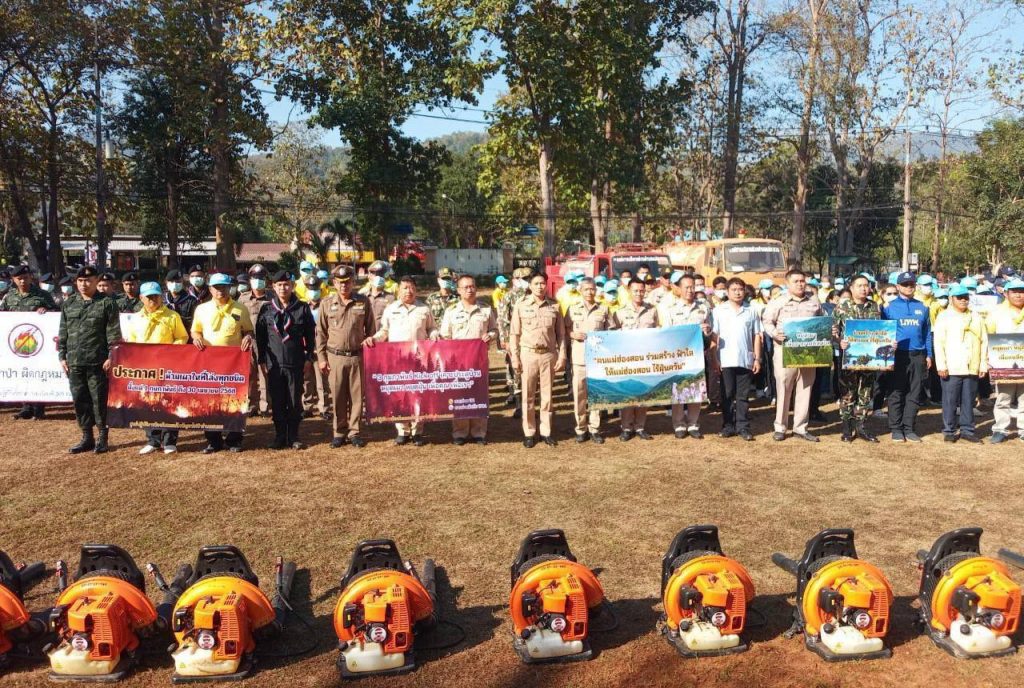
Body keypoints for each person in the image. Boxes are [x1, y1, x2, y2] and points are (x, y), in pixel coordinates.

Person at [58, 265, 122, 454]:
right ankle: (87, 436)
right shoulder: (69, 303)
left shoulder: (107, 303)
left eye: (88, 280)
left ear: (96, 281)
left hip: (98, 362)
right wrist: (62, 356)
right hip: (75, 361)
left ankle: (102, 437)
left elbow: (113, 333)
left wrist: (111, 356)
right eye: (80, 281)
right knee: (79, 399)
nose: (83, 284)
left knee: (99, 400)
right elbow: (63, 332)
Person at [367, 276, 439, 445]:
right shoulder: (390, 309)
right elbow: (384, 331)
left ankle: (417, 431)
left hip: (419, 359)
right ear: (398, 290)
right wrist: (374, 339)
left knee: (418, 395)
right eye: (405, 287)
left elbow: (431, 328)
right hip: (397, 359)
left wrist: (434, 334)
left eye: (412, 287)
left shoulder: (424, 309)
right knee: (400, 394)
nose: (409, 291)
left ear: (416, 289)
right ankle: (402, 430)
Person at [191, 273, 255, 453]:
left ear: (230, 288)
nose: (221, 290)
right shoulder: (201, 309)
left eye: (224, 287)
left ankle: (234, 439)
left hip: (233, 365)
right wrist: (196, 338)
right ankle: (213, 441)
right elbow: (195, 330)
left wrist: (248, 337)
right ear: (210, 289)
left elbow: (248, 330)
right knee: (209, 401)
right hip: (209, 364)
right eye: (217, 287)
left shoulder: (240, 309)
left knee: (235, 400)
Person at [125, 281, 189, 454]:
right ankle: (153, 440)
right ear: (141, 298)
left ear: (161, 296)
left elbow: (182, 337)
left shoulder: (172, 316)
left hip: (168, 367)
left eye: (156, 296)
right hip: (145, 369)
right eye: (149, 297)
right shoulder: (136, 318)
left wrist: (170, 352)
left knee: (169, 403)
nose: (153, 299)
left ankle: (170, 441)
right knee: (147, 402)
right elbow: (131, 341)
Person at [761, 268, 824, 442]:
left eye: (802, 281)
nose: (800, 284)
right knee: (784, 387)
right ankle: (780, 427)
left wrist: (829, 330)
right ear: (787, 283)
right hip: (785, 349)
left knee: (805, 388)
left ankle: (800, 428)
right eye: (796, 281)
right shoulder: (779, 301)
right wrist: (775, 334)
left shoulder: (814, 300)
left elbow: (823, 319)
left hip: (808, 351)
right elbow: (767, 320)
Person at [257, 270, 316, 450]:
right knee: (277, 401)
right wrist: (262, 360)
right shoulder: (266, 309)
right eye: (279, 285)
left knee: (294, 400)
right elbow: (261, 338)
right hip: (274, 364)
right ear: (273, 287)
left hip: (295, 363)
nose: (283, 288)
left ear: (293, 286)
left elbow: (310, 336)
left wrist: (309, 358)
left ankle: (294, 436)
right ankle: (280, 436)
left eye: (286, 284)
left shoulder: (302, 308)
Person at [317, 265, 375, 449]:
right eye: (340, 282)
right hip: (335, 357)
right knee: (338, 396)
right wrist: (321, 358)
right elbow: (321, 334)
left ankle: (354, 432)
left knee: (357, 397)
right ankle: (339, 432)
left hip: (357, 356)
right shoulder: (326, 303)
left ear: (353, 282)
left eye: (348, 282)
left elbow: (371, 330)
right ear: (334, 283)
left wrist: (370, 351)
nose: (344, 285)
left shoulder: (363, 302)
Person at [439, 274, 498, 445]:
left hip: (479, 361)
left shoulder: (485, 309)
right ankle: (460, 432)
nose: (469, 290)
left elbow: (495, 330)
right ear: (458, 290)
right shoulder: (451, 311)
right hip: (458, 362)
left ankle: (479, 432)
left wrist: (490, 335)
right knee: (460, 396)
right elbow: (445, 336)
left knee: (479, 395)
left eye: (472, 286)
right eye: (465, 287)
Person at [509, 272, 566, 447]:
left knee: (547, 396)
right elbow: (514, 334)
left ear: (546, 285)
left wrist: (562, 355)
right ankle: (529, 432)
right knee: (528, 395)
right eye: (536, 283)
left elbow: (561, 334)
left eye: (542, 283)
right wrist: (515, 357)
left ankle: (546, 431)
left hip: (548, 354)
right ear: (530, 286)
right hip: (528, 355)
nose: (540, 287)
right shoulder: (521, 305)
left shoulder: (554, 305)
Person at [658, 272, 713, 439]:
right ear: (679, 289)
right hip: (678, 356)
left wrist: (707, 331)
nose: (690, 290)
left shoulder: (704, 307)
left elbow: (710, 330)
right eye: (687, 287)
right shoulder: (671, 309)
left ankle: (693, 424)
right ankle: (679, 424)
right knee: (679, 391)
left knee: (696, 389)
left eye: (693, 287)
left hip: (697, 355)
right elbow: (666, 333)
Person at [1, 265, 58, 420]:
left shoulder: (42, 295)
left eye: (25, 278)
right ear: (13, 280)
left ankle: (39, 408)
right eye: (19, 278)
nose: (22, 281)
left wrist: (46, 311)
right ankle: (26, 407)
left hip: (38, 343)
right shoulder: (9, 296)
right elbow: (3, 314)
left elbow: (56, 312)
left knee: (37, 374)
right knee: (22, 373)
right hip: (17, 344)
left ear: (30, 278)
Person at [933, 284, 987, 443]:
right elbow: (938, 342)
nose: (963, 300)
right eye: (960, 297)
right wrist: (941, 365)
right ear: (952, 299)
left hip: (972, 364)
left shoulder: (976, 316)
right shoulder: (944, 316)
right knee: (950, 400)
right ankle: (949, 430)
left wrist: (983, 364)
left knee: (969, 401)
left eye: (966, 297)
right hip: (952, 365)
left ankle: (967, 430)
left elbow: (984, 341)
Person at [882, 271, 932, 442]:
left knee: (915, 392)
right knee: (896, 392)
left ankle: (909, 428)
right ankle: (896, 428)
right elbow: (883, 332)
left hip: (918, 355)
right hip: (898, 355)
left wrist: (929, 354)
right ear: (898, 286)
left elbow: (927, 333)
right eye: (905, 284)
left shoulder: (923, 307)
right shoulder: (888, 307)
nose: (909, 287)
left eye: (911, 284)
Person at [832, 275, 883, 443]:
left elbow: (881, 331)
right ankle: (847, 428)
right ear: (852, 288)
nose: (863, 289)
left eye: (866, 285)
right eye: (859, 285)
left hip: (869, 358)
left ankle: (861, 426)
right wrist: (839, 341)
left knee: (866, 392)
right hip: (849, 357)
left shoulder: (874, 306)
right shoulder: (842, 307)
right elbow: (833, 331)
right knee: (848, 392)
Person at [713, 277, 762, 441]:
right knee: (727, 394)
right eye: (734, 289)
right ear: (727, 292)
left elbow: (757, 335)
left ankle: (743, 427)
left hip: (745, 359)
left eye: (740, 289)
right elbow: (714, 336)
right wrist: (715, 358)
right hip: (725, 359)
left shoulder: (751, 310)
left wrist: (757, 358)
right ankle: (728, 426)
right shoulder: (719, 311)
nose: (738, 292)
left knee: (743, 396)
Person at [563, 277, 612, 444]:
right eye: (586, 289)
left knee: (596, 394)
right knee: (579, 395)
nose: (589, 292)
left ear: (596, 290)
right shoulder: (572, 309)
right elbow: (565, 329)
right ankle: (581, 428)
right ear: (580, 291)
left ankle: (594, 429)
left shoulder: (603, 309)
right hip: (579, 358)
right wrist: (572, 334)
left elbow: (611, 331)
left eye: (592, 289)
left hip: (597, 359)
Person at [613, 277, 660, 441]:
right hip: (627, 359)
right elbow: (612, 335)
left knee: (643, 393)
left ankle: (640, 426)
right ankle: (626, 427)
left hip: (646, 359)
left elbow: (658, 331)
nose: (639, 293)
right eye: (636, 291)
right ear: (629, 291)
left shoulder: (652, 310)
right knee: (628, 394)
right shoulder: (619, 312)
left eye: (642, 290)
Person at [985, 278, 1024, 443]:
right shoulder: (996, 312)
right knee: (1003, 398)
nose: (1019, 295)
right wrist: (988, 357)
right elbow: (988, 335)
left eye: (1021, 292)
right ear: (1006, 294)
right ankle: (1000, 429)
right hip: (1003, 362)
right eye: (1014, 292)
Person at [498, 268, 534, 415]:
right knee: (516, 371)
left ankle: (529, 402)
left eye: (529, 278)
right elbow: (502, 320)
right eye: (524, 278)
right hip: (514, 339)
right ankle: (519, 404)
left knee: (531, 372)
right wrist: (505, 340)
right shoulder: (509, 296)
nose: (527, 281)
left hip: (531, 340)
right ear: (515, 280)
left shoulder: (533, 295)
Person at [238, 264, 272, 416]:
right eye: (255, 278)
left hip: (268, 343)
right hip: (249, 342)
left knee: (265, 374)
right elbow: (237, 319)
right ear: (250, 280)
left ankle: (265, 405)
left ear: (266, 280)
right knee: (249, 374)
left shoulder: (272, 297)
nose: (258, 281)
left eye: (261, 278)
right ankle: (250, 404)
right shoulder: (243, 298)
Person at [300, 274, 332, 419]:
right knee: (306, 379)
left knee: (322, 380)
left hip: (322, 347)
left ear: (320, 289)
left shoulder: (326, 305)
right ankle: (307, 406)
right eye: (310, 289)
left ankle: (324, 408)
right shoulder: (302, 306)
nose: (313, 292)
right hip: (306, 347)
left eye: (316, 289)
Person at [164, 269, 199, 334]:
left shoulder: (192, 301)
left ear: (182, 282)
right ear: (166, 283)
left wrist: (176, 318)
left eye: (178, 281)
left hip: (185, 334)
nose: (175, 284)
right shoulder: (162, 300)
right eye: (172, 281)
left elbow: (195, 322)